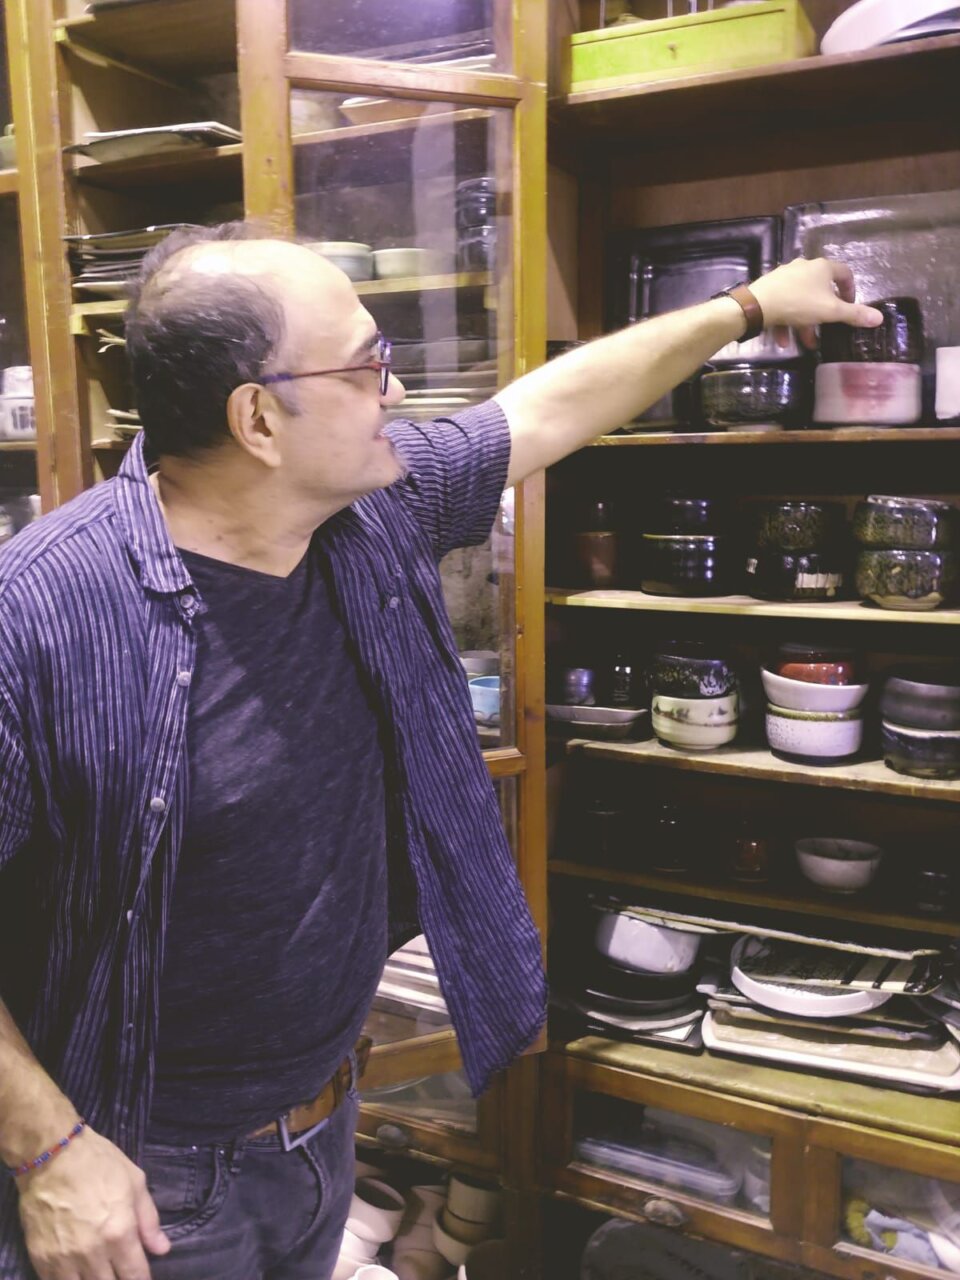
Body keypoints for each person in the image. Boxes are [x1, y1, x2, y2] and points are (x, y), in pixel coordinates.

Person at [0, 221, 881, 1280]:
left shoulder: (372, 511)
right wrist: (49, 1149)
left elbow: (546, 409)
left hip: (324, 1122)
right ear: (258, 418)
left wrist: (749, 307)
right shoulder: (42, 614)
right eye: (367, 365)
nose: (400, 390)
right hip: (142, 1178)